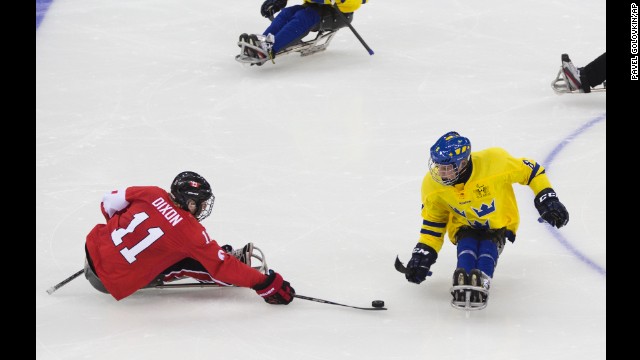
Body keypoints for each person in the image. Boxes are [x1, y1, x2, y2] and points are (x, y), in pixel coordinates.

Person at [401, 132, 569, 309]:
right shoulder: (432, 186)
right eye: (438, 166)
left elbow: (532, 171)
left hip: (497, 225)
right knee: (467, 245)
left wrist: (548, 199)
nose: (440, 173)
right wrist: (423, 254)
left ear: (463, 163)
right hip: (463, 226)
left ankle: (482, 277)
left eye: (447, 167)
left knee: (488, 247)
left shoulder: (495, 162)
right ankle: (464, 273)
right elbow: (433, 225)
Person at [83, 170, 295, 305]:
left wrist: (117, 233)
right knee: (196, 260)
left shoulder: (152, 193)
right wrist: (265, 284)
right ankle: (239, 267)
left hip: (91, 250)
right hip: (109, 282)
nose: (203, 207)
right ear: (190, 203)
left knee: (175, 247)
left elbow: (108, 202)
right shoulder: (191, 232)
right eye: (201, 203)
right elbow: (221, 267)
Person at [238, 0, 367, 64]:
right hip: (314, 6)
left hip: (338, 13)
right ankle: (263, 41)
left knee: (304, 18)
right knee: (287, 13)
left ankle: (270, 48)